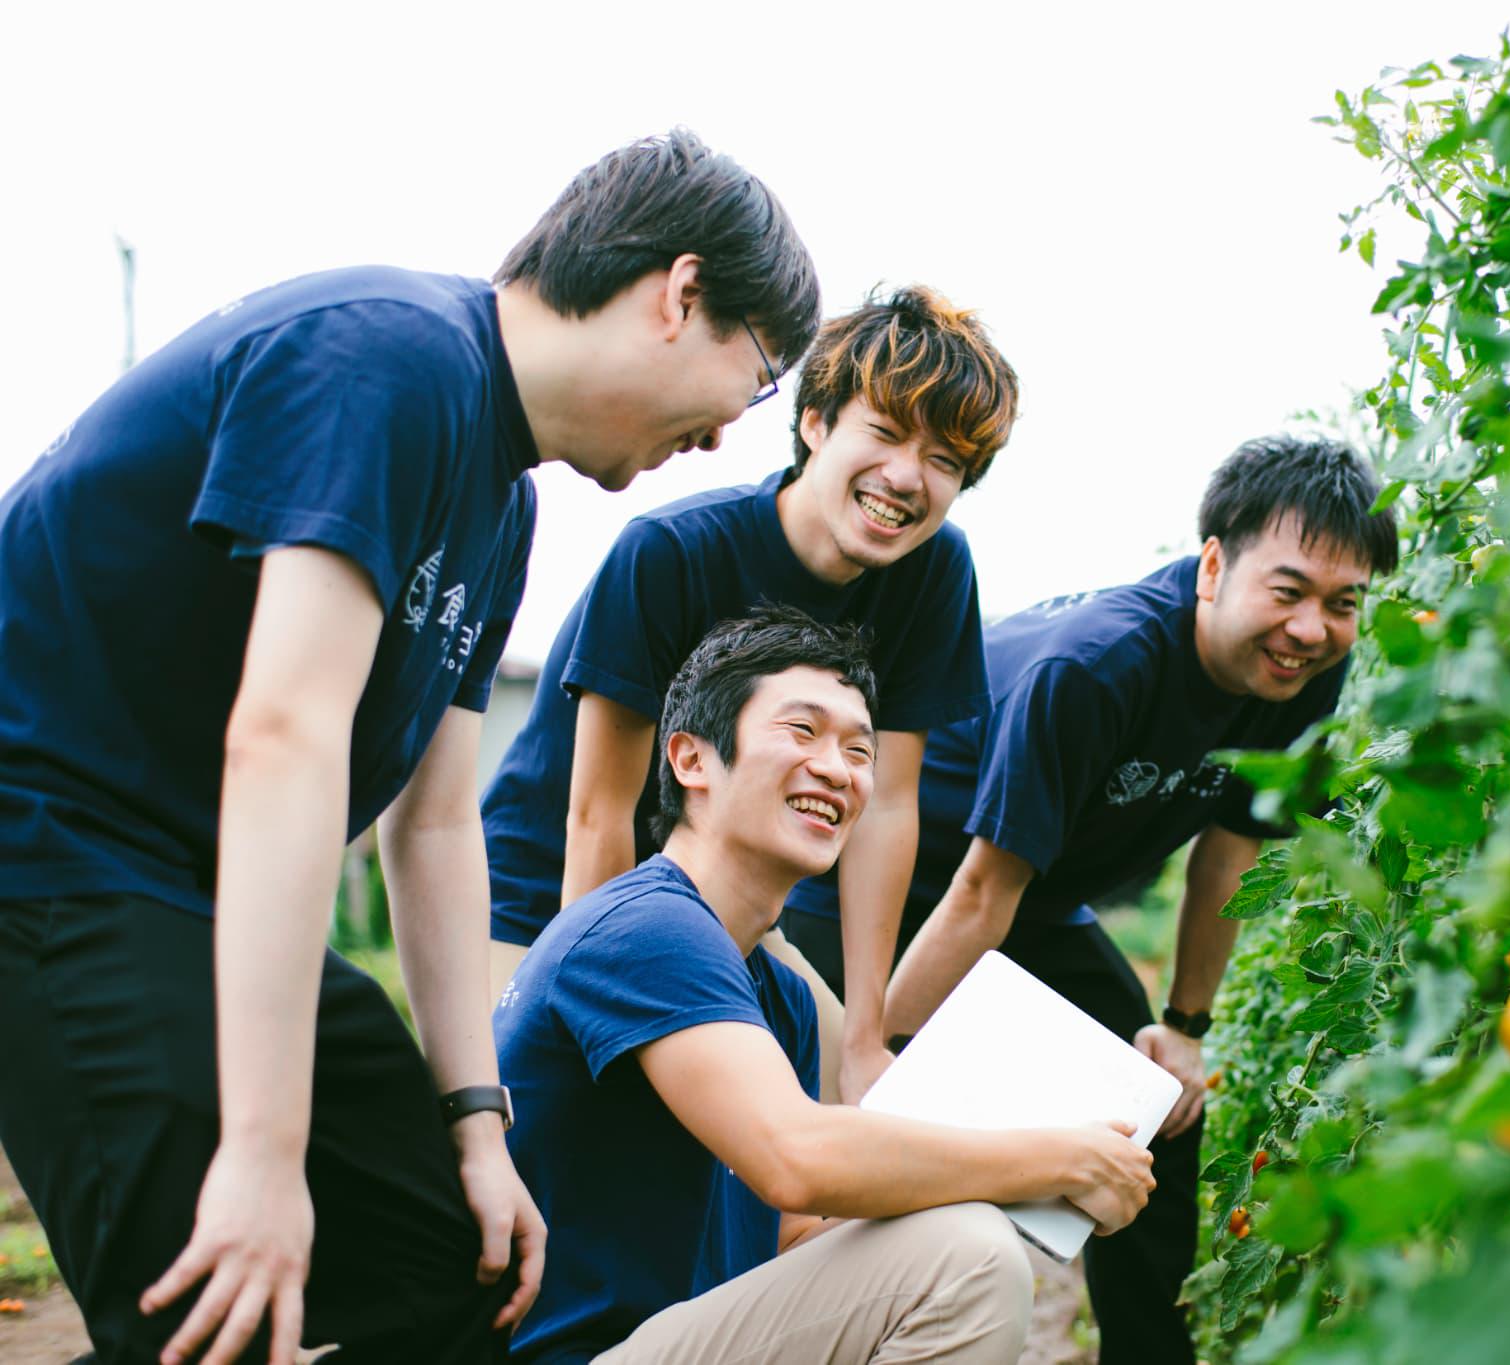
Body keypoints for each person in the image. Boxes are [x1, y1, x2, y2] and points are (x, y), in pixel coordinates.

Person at [0, 128, 818, 1364]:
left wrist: (479, 1131)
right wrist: (264, 1155)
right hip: (54, 856)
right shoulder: (390, 358)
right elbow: (284, 733)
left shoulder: (502, 504)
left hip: (190, 892)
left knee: (455, 1265)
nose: (720, 438)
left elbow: (433, 822)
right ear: (679, 294)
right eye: (752, 381)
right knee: (215, 1302)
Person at [781, 433, 1400, 1364]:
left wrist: (1183, 1027)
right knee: (841, 1115)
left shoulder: (1301, 676)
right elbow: (979, 893)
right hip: (894, 887)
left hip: (1029, 897)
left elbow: (1227, 854)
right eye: (1289, 590)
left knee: (1157, 1102)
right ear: (1214, 567)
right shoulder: (1099, 665)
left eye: (1342, 603)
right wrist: (880, 1059)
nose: (1311, 628)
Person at [495, 607, 1155, 1364]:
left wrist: (994, 1177)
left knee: (956, 1232)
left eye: (859, 750)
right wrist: (1059, 1159)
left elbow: (793, 1238)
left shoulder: (778, 995)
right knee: (969, 1257)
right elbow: (796, 1156)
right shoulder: (646, 927)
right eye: (802, 731)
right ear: (690, 759)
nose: (838, 770)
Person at [482, 284, 1017, 1104]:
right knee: (561, 1131)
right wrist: (601, 1020)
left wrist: (865, 1036)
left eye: (944, 461)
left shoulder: (935, 570)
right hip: (547, 899)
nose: (906, 477)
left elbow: (885, 804)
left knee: (859, 1107)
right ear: (815, 423)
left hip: (726, 909)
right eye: (884, 433)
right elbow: (597, 815)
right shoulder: (670, 552)